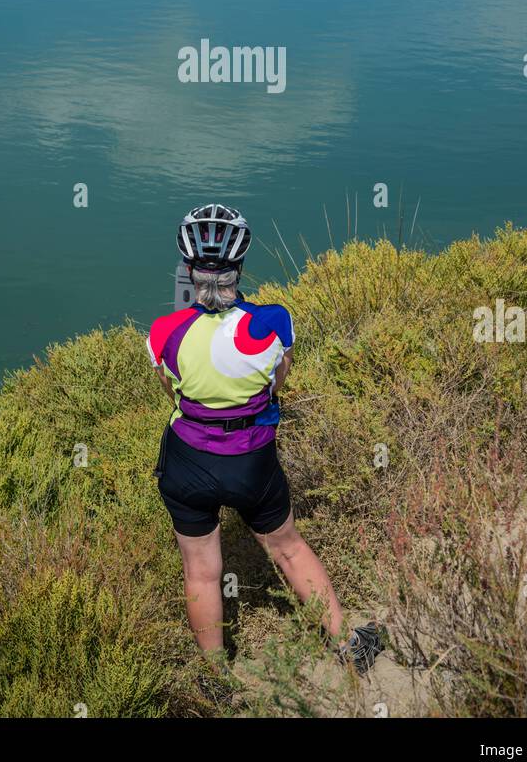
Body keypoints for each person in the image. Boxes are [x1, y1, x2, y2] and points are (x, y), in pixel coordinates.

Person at [147, 202, 382, 674]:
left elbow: (174, 393)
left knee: (200, 570)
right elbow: (277, 383)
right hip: (251, 460)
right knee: (288, 547)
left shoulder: (163, 331)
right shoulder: (273, 321)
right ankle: (350, 645)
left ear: (189, 270)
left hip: (187, 461)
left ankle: (216, 677)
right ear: (239, 266)